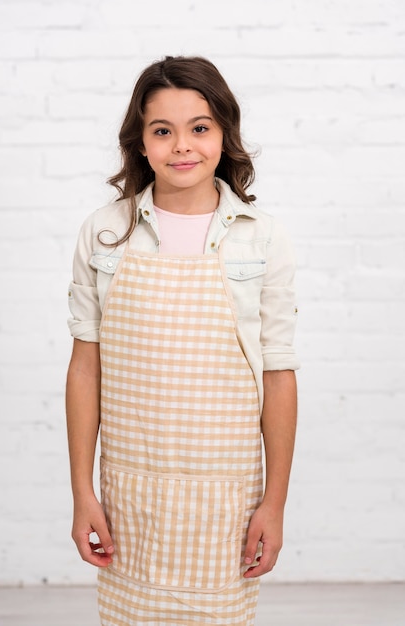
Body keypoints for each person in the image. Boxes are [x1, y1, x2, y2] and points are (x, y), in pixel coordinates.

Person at [66, 55, 299, 626]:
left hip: (227, 486)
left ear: (224, 135)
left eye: (199, 127)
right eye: (162, 130)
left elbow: (278, 374)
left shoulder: (260, 237)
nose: (182, 146)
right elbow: (85, 369)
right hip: (131, 485)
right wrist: (82, 491)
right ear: (140, 142)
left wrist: (274, 502)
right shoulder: (105, 232)